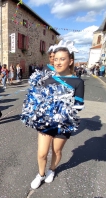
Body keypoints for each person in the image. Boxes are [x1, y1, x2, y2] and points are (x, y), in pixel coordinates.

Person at [28, 40, 84, 189]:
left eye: (62, 59)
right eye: (56, 59)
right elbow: (38, 100)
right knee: (42, 153)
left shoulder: (78, 82)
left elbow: (79, 106)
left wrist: (64, 106)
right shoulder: (47, 79)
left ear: (70, 61)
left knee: (56, 150)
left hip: (64, 123)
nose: (58, 62)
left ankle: (52, 170)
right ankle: (40, 174)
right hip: (46, 121)